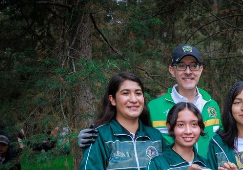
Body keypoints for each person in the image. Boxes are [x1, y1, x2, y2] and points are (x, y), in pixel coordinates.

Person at [79, 44, 221, 158]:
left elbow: (222, 143)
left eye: (194, 65)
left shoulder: (212, 106)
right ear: (172, 70)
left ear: (200, 69)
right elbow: (129, 134)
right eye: (181, 66)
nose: (188, 71)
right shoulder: (154, 107)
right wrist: (95, 139)